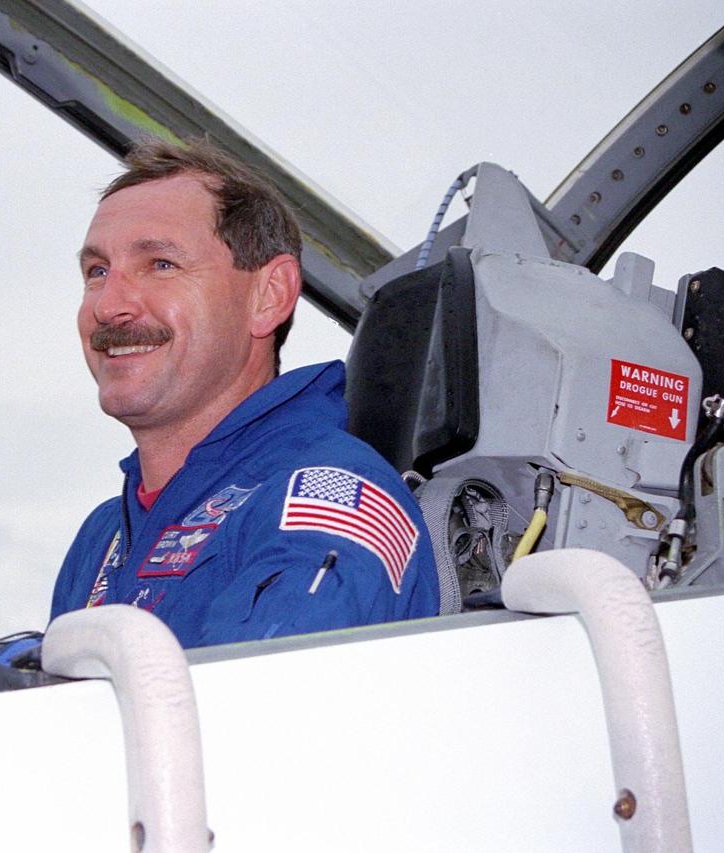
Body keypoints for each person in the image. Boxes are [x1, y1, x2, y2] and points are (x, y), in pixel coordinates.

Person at [48, 138, 438, 651]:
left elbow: (258, 721)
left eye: (161, 264)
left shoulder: (330, 501)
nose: (109, 305)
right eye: (97, 272)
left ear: (269, 295)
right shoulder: (102, 539)